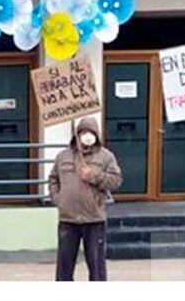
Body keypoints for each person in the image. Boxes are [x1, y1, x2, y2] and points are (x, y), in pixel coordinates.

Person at [48, 117, 123, 281]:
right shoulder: (63, 156)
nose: (87, 136)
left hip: (94, 219)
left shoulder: (106, 157)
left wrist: (94, 176)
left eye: (91, 132)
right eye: (84, 132)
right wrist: (58, 199)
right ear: (77, 134)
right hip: (68, 219)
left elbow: (116, 180)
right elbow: (53, 179)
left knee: (96, 267)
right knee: (64, 266)